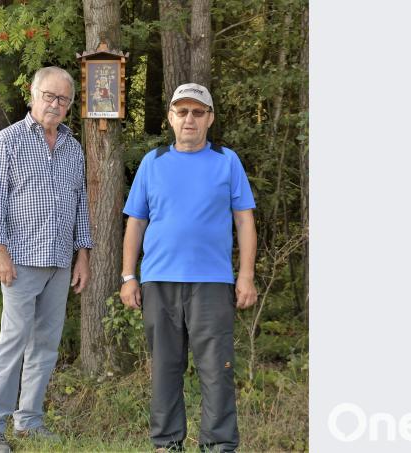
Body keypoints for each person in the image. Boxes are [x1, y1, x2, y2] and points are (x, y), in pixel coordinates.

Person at [120, 83, 258, 453]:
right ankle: (167, 442)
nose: (189, 119)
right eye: (182, 112)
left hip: (212, 282)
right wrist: (129, 276)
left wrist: (246, 275)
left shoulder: (227, 161)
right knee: (165, 367)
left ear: (210, 118)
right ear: (171, 118)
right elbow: (136, 221)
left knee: (216, 369)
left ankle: (219, 444)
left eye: (198, 112)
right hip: (159, 280)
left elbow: (244, 220)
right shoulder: (153, 162)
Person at [0, 66, 93, 453]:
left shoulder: (73, 148)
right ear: (33, 94)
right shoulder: (8, 141)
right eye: (49, 96)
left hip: (60, 262)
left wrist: (83, 256)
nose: (56, 104)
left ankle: (29, 421)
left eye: (64, 100)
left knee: (45, 345)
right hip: (20, 260)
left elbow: (80, 205)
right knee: (12, 341)